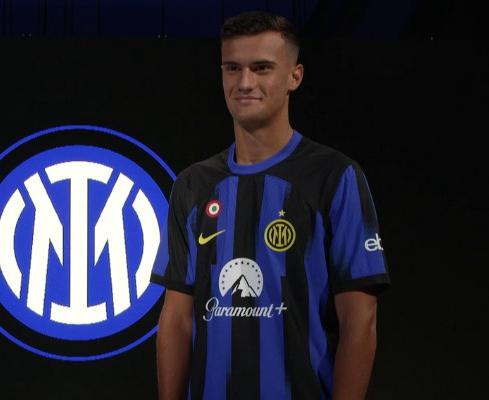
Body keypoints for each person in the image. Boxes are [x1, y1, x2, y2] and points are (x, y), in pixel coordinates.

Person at [149, 11, 391, 400]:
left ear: (295, 76)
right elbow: (176, 319)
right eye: (232, 68)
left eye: (261, 68)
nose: (244, 82)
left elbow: (360, 321)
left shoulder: (334, 176)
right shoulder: (193, 185)